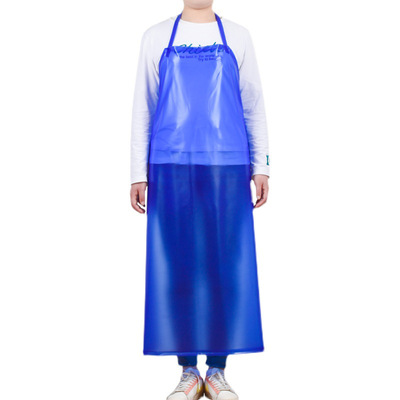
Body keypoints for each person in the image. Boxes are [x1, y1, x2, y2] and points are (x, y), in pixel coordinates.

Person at [130, 2, 270, 399]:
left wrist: (261, 165)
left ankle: (218, 370)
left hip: (227, 164)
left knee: (224, 266)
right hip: (170, 164)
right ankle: (188, 371)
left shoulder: (238, 36)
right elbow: (144, 107)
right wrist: (137, 172)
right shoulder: (156, 36)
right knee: (179, 266)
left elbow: (253, 105)